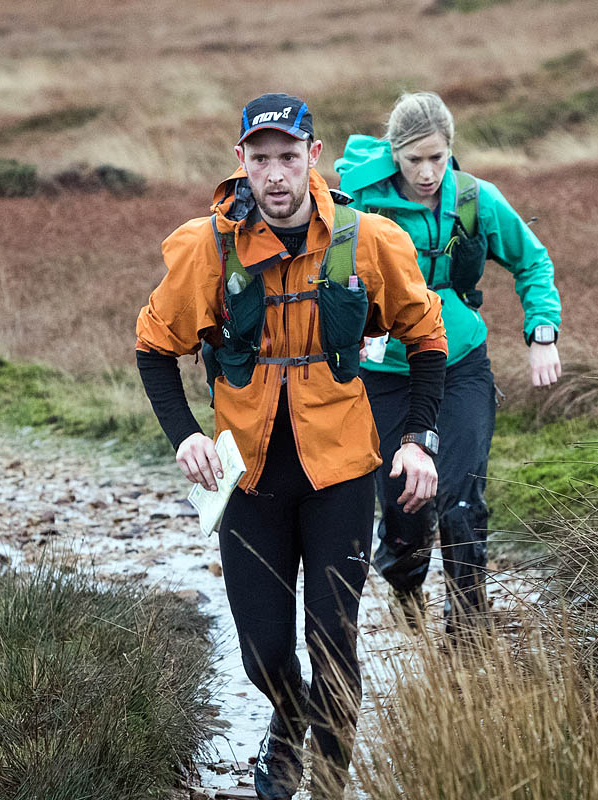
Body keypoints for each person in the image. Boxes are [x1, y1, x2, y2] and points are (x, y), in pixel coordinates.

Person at [134, 93, 448, 800]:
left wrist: (417, 440)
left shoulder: (367, 240)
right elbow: (153, 347)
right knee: (264, 654)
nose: (275, 174)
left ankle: (329, 783)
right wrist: (186, 435)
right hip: (248, 480)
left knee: (333, 642)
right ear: (240, 160)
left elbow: (427, 336)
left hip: (341, 471)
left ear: (314, 156)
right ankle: (288, 717)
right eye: (261, 158)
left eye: (288, 156)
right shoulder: (207, 247)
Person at [335, 91, 562, 634]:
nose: (427, 172)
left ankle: (467, 630)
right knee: (406, 511)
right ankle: (403, 580)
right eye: (413, 159)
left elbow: (532, 262)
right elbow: (324, 277)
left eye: (437, 157)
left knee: (461, 500)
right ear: (393, 153)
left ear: (450, 149)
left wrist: (542, 332)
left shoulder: (476, 199)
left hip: (461, 365)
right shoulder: (355, 204)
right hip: (386, 376)